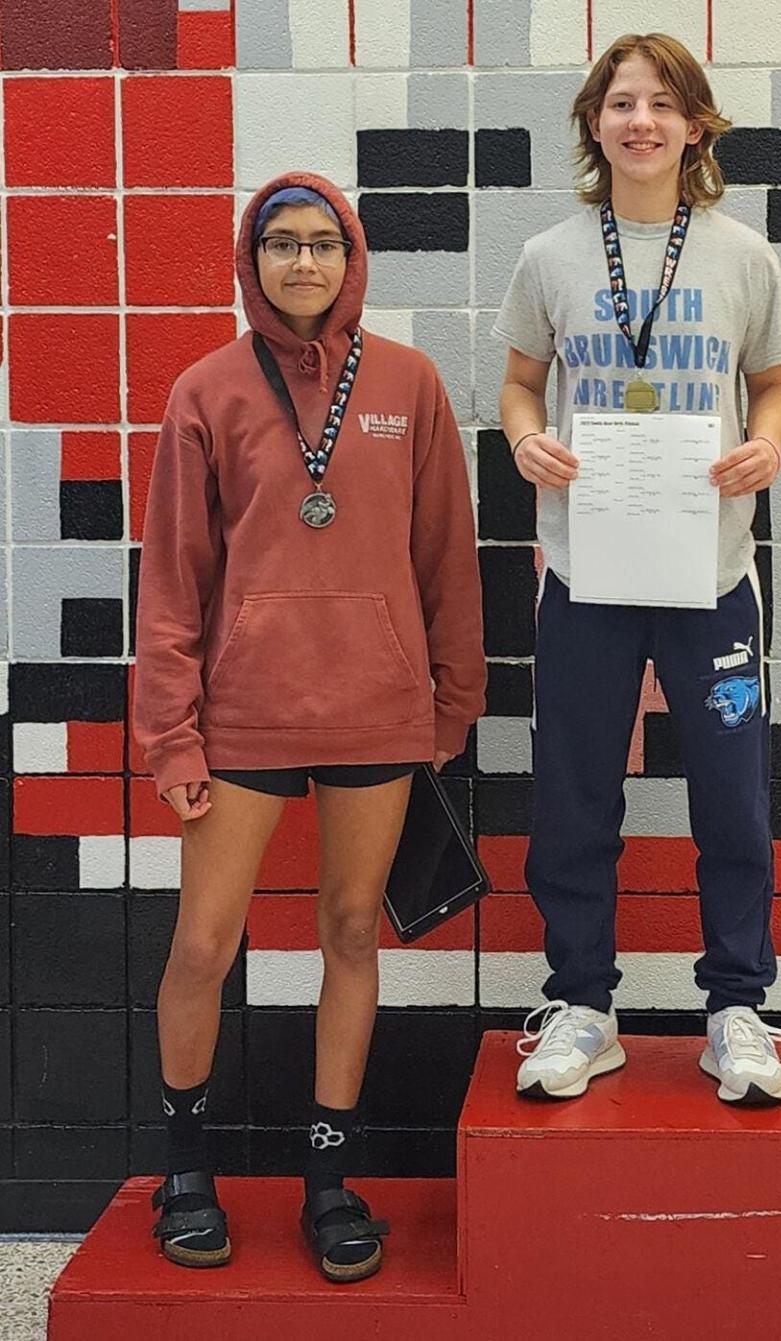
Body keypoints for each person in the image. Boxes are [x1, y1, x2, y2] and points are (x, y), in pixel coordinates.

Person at [134, 172, 485, 1280]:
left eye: (322, 244)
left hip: (379, 712)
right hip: (242, 719)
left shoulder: (411, 384)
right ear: (252, 258)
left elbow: (447, 558)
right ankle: (185, 1168)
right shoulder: (208, 390)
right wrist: (169, 735)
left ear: (352, 255)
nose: (302, 263)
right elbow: (175, 581)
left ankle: (329, 1178)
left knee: (349, 936)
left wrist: (451, 698)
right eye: (281, 244)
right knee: (204, 942)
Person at [494, 33, 781, 1107]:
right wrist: (524, 438)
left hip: (711, 572)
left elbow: (772, 387)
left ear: (696, 126)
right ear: (593, 122)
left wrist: (769, 442)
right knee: (575, 798)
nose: (641, 120)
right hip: (587, 572)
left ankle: (736, 1011)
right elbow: (520, 387)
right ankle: (584, 1006)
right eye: (621, 101)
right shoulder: (550, 258)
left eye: (663, 104)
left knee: (733, 800)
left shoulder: (744, 256)